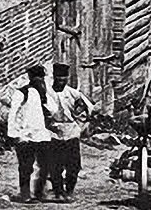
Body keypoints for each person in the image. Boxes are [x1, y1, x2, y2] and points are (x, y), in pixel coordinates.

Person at [7, 65, 56, 203]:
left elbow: (53, 110)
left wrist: (44, 97)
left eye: (41, 78)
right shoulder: (22, 93)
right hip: (25, 136)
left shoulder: (44, 94)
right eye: (36, 78)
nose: (39, 81)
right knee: (25, 167)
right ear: (30, 78)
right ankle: (25, 195)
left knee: (45, 165)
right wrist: (14, 134)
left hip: (41, 136)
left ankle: (39, 193)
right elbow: (13, 115)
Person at [47, 64, 94, 202]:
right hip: (53, 133)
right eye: (58, 79)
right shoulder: (47, 93)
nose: (61, 82)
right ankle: (58, 192)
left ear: (67, 78)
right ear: (54, 78)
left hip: (71, 133)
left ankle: (69, 191)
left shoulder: (73, 93)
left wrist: (79, 125)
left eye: (64, 79)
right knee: (55, 166)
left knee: (73, 165)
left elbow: (89, 110)